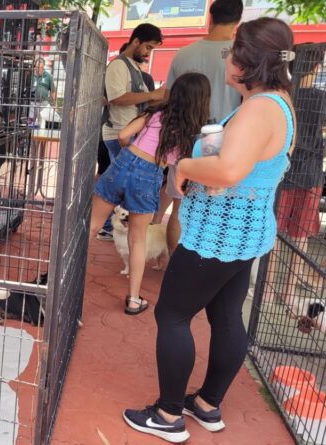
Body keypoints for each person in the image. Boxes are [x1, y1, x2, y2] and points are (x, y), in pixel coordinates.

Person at [123, 18, 296, 443]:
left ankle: (167, 415)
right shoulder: (277, 101)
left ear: (246, 61)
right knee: (225, 317)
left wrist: (183, 165)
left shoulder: (261, 108)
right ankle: (206, 403)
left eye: (232, 51)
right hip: (244, 233)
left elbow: (228, 172)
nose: (227, 58)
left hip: (217, 234)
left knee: (172, 315)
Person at [89, 72, 210, 315]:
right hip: (150, 175)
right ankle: (133, 299)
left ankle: (56, 279)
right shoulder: (190, 134)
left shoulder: (154, 113)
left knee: (90, 227)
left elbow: (123, 135)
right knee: (138, 239)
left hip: (124, 162)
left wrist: (129, 151)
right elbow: (180, 167)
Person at [154, 0, 243, 254]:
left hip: (184, 138)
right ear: (238, 22)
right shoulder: (242, 56)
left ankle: (174, 265)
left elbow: (167, 97)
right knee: (222, 205)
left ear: (210, 18)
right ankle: (211, 263)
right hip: (227, 141)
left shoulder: (184, 53)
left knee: (180, 207)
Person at [97, 24, 166, 241]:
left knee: (119, 185)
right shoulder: (118, 66)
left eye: (152, 49)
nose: (148, 53)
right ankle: (107, 226)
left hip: (127, 133)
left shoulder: (132, 66)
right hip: (121, 132)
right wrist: (153, 96)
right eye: (147, 47)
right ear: (135, 41)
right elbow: (117, 98)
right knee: (120, 186)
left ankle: (108, 226)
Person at [269, 43, 326, 305]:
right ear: (316, 66)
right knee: (300, 234)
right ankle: (288, 291)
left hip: (284, 171)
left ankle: (267, 290)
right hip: (311, 173)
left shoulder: (283, 95)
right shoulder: (320, 98)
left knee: (277, 232)